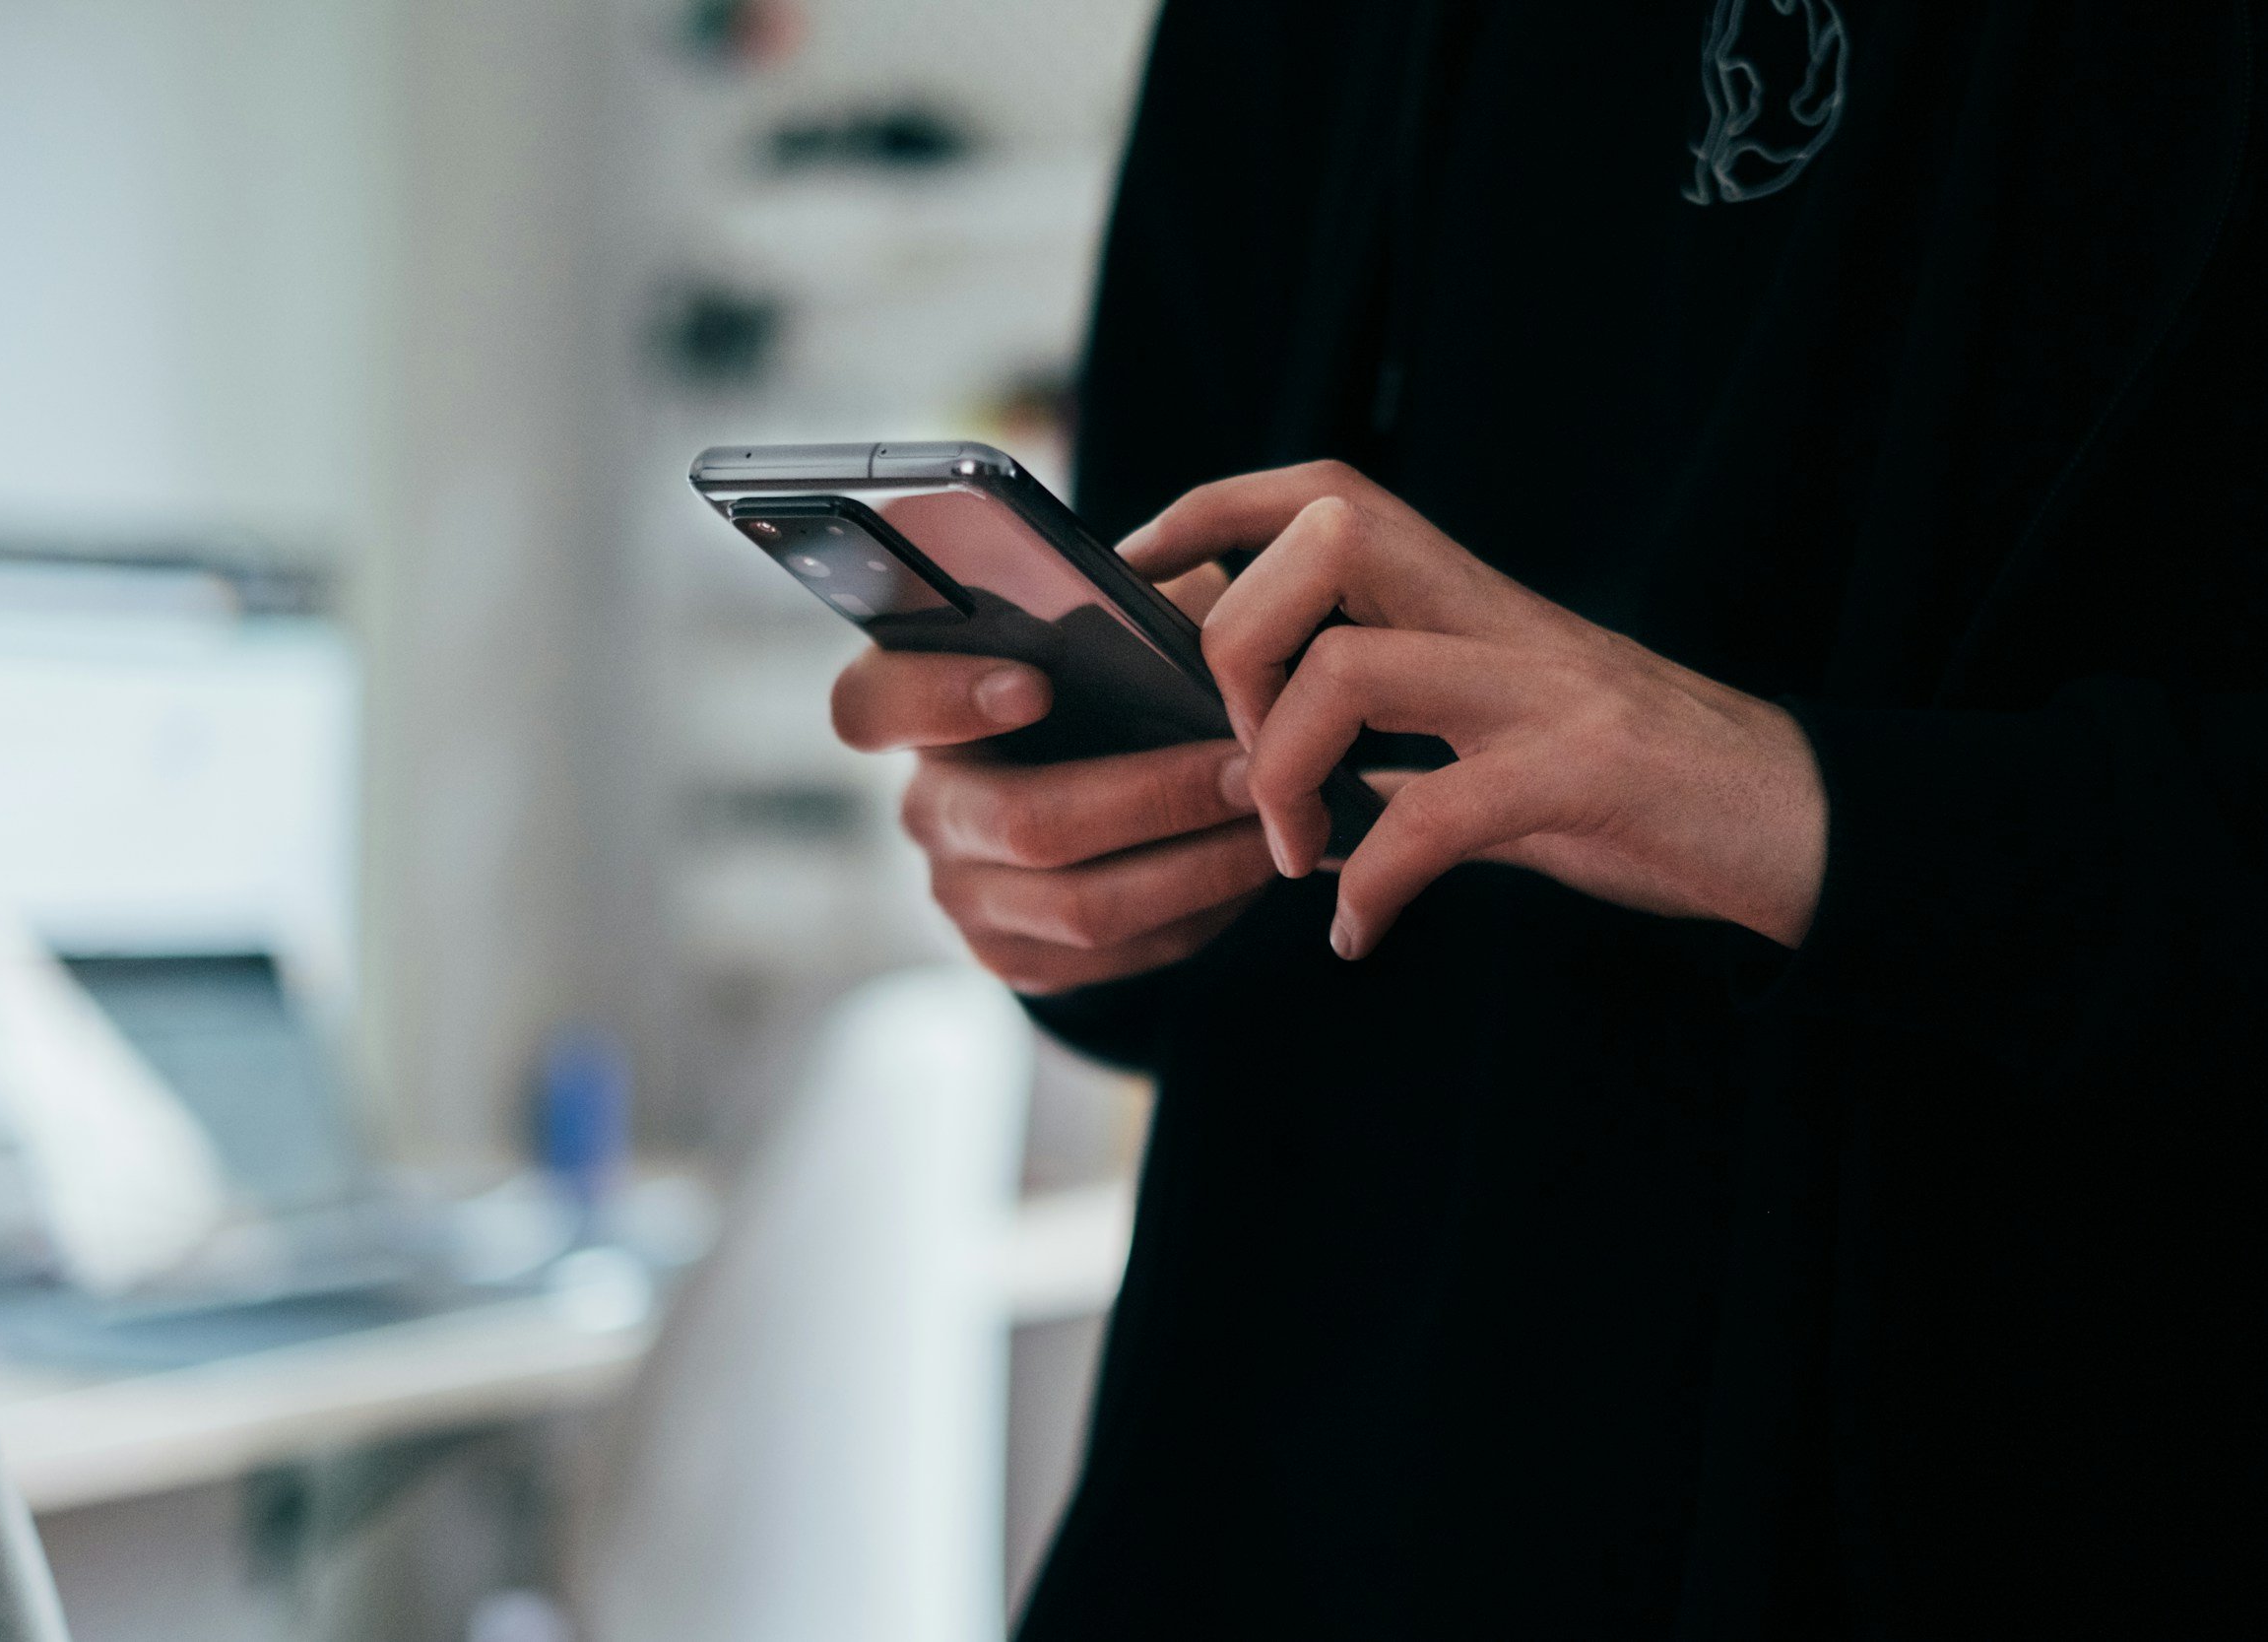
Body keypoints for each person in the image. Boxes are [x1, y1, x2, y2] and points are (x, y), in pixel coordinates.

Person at [833, 2, 2268, 1633]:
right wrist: (1071, 876)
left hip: (2009, 1485)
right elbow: (1213, 898)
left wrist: (1796, 806)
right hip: (1279, 1493)